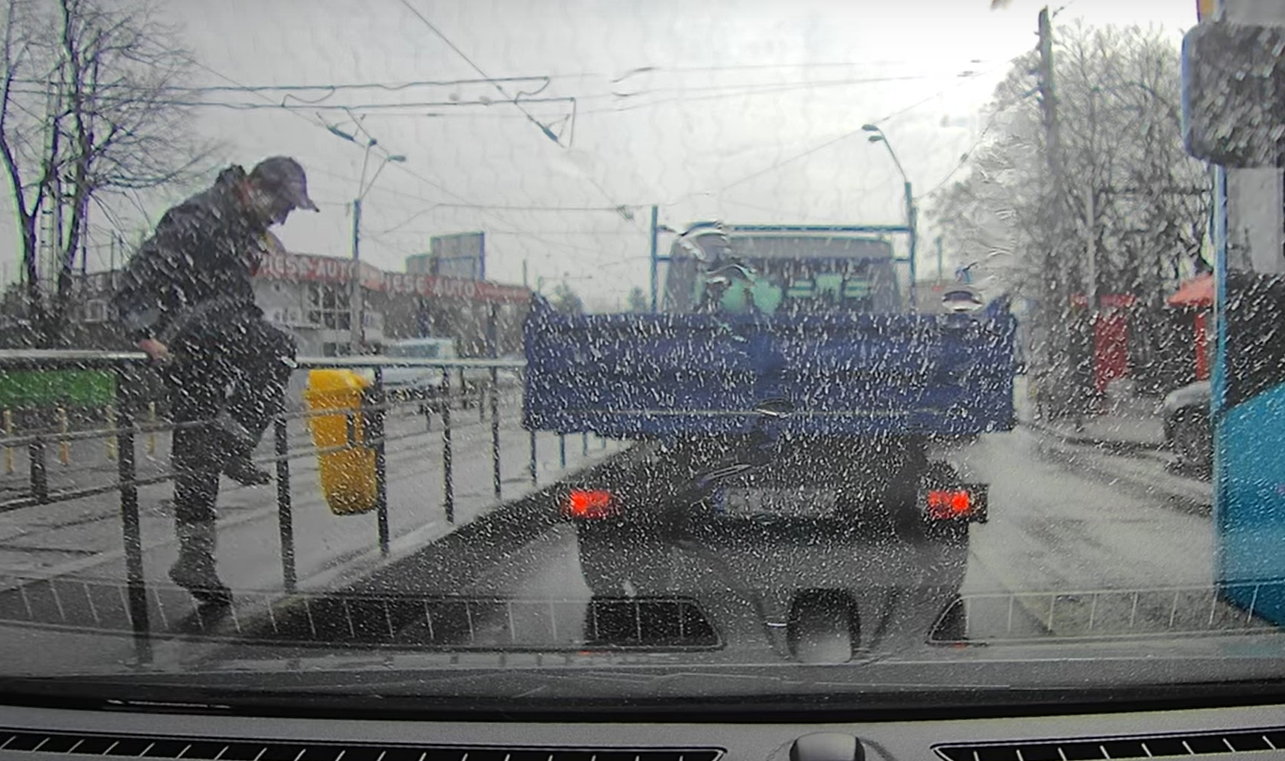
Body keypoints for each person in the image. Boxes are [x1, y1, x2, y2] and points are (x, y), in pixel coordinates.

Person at [111, 156, 319, 606]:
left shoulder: (239, 224)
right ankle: (234, 441)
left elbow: (230, 292)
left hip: (212, 336)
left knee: (195, 446)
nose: (282, 217)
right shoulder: (202, 215)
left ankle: (196, 556)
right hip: (188, 334)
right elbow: (138, 276)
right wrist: (144, 333)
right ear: (252, 187)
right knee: (277, 347)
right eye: (281, 205)